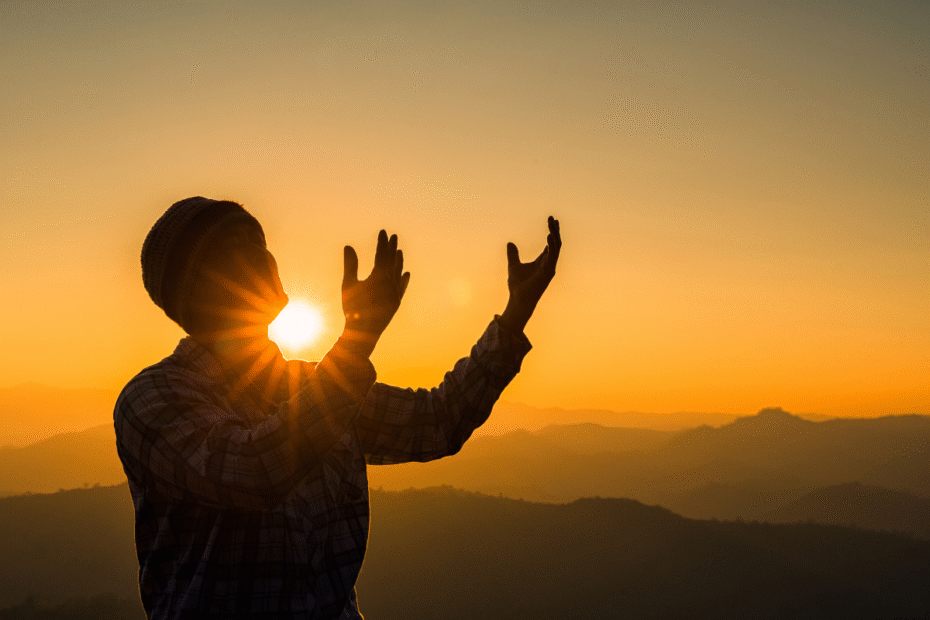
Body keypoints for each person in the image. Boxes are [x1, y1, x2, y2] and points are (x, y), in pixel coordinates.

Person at [114, 196, 562, 619]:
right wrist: (357, 342)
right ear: (194, 287)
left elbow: (437, 422)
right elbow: (255, 470)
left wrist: (516, 312)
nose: (262, 256)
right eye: (236, 247)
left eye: (260, 242)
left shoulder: (316, 385)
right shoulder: (152, 398)